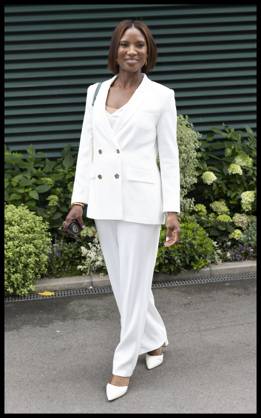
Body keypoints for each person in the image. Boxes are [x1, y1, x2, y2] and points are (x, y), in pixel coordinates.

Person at [63, 19, 180, 402]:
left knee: (133, 283)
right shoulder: (94, 92)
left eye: (140, 45)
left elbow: (169, 157)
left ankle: (123, 362)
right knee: (123, 283)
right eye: (125, 44)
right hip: (105, 199)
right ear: (115, 50)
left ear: (149, 52)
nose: (132, 51)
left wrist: (172, 210)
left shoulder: (161, 96)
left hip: (143, 202)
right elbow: (86, 147)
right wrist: (79, 200)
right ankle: (155, 339)